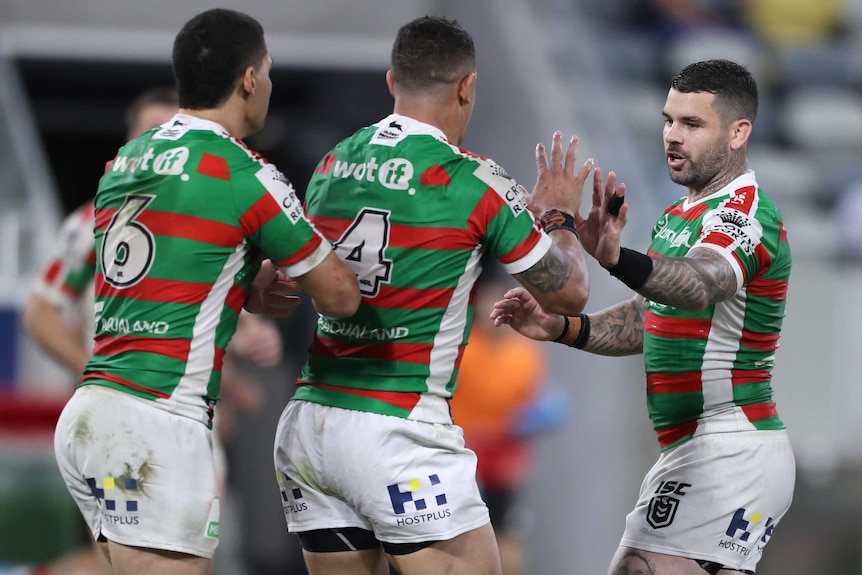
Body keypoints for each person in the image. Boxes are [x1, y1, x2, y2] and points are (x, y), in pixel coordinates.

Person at [273, 15, 590, 575]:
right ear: (467, 87)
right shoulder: (471, 181)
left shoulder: (332, 162)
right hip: (399, 429)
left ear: (392, 80)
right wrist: (560, 217)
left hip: (312, 423)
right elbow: (570, 294)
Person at [51, 8, 361, 575]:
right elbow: (340, 295)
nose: (269, 82)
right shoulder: (244, 173)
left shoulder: (126, 160)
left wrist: (240, 285)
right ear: (249, 78)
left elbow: (172, 271)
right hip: (158, 419)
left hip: (91, 415)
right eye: (267, 70)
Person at [491, 59, 795, 575]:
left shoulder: (746, 214)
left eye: (692, 124)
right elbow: (650, 316)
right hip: (697, 448)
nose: (673, 136)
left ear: (739, 132)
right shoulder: (680, 216)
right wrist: (564, 327)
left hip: (729, 445)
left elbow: (699, 286)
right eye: (669, 120)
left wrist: (615, 260)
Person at [448, 268, 565, 575]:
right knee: (457, 531)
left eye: (499, 301)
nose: (493, 309)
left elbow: (534, 405)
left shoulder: (526, 353)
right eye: (487, 302)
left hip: (504, 456)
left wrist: (535, 417)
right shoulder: (461, 348)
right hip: (462, 451)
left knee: (506, 530)